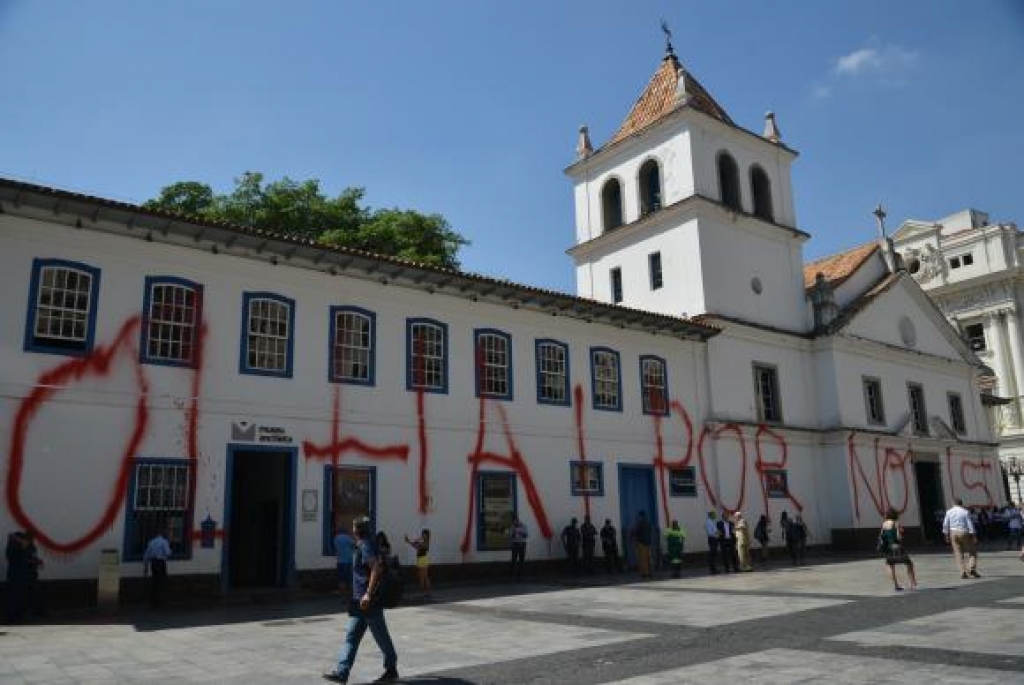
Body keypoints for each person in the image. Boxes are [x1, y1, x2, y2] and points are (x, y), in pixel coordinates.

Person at [324, 517, 399, 684]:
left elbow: (376, 569)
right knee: (351, 637)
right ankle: (342, 673)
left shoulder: (365, 544)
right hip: (358, 600)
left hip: (367, 601)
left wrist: (368, 594)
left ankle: (391, 667)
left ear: (357, 529)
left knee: (381, 637)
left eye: (353, 527)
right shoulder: (364, 543)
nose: (352, 529)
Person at [879, 508, 917, 591]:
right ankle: (913, 584)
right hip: (897, 547)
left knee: (890, 565)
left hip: (888, 548)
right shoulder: (896, 523)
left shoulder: (884, 524)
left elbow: (882, 537)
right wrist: (901, 533)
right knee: (909, 563)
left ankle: (896, 585)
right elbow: (899, 537)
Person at [942, 498, 980, 579]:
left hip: (953, 532)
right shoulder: (965, 511)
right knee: (972, 551)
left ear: (953, 503)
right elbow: (970, 524)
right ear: (961, 503)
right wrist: (973, 535)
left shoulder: (949, 511)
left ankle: (963, 572)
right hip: (964, 532)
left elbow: (945, 524)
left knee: (958, 553)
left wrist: (946, 535)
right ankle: (971, 568)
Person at [5, 531, 32, 623]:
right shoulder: (13, 547)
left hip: (20, 576)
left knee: (20, 597)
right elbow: (24, 545)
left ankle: (18, 616)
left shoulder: (20, 546)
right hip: (16, 576)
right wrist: (15, 538)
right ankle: (13, 617)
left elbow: (27, 547)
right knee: (14, 598)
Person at [142, 526, 172, 608]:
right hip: (161, 562)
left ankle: (152, 601)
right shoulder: (164, 542)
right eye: (166, 532)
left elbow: (146, 555)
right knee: (161, 582)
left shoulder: (151, 542)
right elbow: (168, 553)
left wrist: (145, 567)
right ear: (162, 533)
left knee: (155, 581)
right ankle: (159, 602)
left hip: (153, 563)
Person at [404, 529, 431, 597]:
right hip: (420, 559)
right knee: (422, 576)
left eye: (424, 534)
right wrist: (410, 541)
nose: (423, 535)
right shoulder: (423, 541)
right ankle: (425, 592)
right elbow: (416, 546)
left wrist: (410, 541)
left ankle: (425, 592)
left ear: (427, 535)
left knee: (424, 577)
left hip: (423, 559)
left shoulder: (426, 542)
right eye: (423, 533)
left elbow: (418, 546)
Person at [333, 522, 355, 596]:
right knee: (349, 579)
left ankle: (342, 594)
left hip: (339, 561)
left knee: (341, 579)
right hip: (348, 561)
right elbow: (354, 545)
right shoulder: (348, 537)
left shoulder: (336, 538)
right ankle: (350, 595)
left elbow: (335, 548)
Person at [631, 510, 653, 579]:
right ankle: (650, 572)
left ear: (640, 516)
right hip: (648, 543)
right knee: (648, 558)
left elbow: (635, 531)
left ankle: (645, 573)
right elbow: (650, 532)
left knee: (642, 559)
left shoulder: (640, 523)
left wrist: (631, 535)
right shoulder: (649, 523)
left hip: (641, 543)